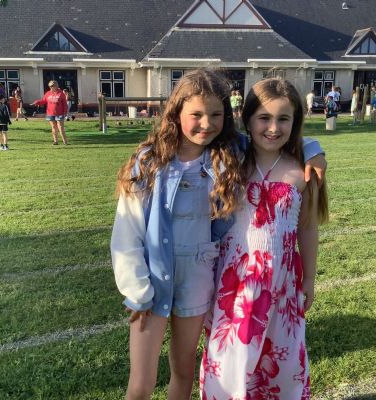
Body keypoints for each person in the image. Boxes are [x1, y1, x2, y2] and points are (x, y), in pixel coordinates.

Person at [110, 69, 327, 400]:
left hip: (205, 280)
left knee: (186, 370)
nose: (206, 123)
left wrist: (312, 148)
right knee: (141, 384)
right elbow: (128, 231)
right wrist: (136, 288)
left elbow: (277, 139)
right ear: (176, 112)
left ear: (227, 117)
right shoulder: (156, 161)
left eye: (215, 114)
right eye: (196, 114)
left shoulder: (226, 156)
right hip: (161, 281)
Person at [200, 77, 329, 400]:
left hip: (282, 283)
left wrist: (309, 278)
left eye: (283, 119)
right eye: (264, 118)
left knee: (281, 362)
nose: (273, 128)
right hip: (234, 284)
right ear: (247, 119)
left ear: (295, 122)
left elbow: (307, 228)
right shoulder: (229, 164)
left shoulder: (302, 171)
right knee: (232, 361)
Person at [32, 80, 68, 145]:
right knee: (53, 127)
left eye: (52, 86)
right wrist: (37, 102)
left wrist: (65, 112)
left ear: (56, 86)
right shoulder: (48, 93)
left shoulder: (61, 93)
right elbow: (43, 101)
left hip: (59, 114)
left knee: (60, 127)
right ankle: (55, 141)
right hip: (50, 113)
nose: (51, 87)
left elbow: (65, 104)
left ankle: (65, 142)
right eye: (50, 86)